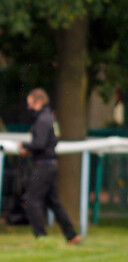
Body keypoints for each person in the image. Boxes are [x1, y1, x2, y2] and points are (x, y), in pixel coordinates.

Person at [18, 88, 82, 244]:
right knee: (54, 202)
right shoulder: (51, 119)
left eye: (30, 103)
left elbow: (39, 144)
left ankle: (41, 236)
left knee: (32, 200)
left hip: (43, 165)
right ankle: (71, 235)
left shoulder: (42, 120)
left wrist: (25, 146)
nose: (29, 107)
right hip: (51, 164)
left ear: (38, 101)